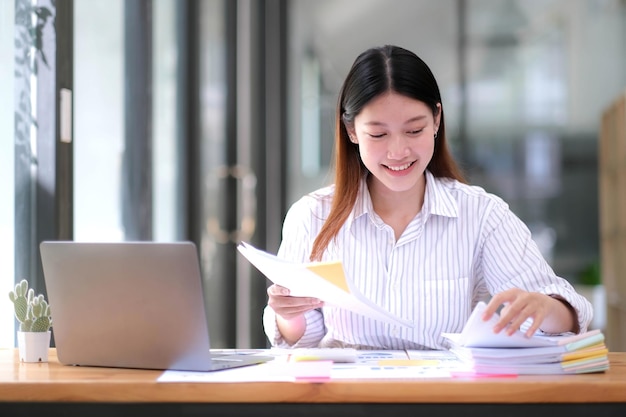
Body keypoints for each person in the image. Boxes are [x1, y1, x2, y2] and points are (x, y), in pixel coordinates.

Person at [263, 45, 593, 350]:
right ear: (351, 131)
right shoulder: (312, 215)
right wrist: (288, 314)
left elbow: (566, 319)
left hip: (446, 399)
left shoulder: (480, 215)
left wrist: (547, 308)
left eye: (414, 130)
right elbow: (302, 340)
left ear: (436, 119)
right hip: (348, 399)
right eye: (378, 134)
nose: (398, 151)